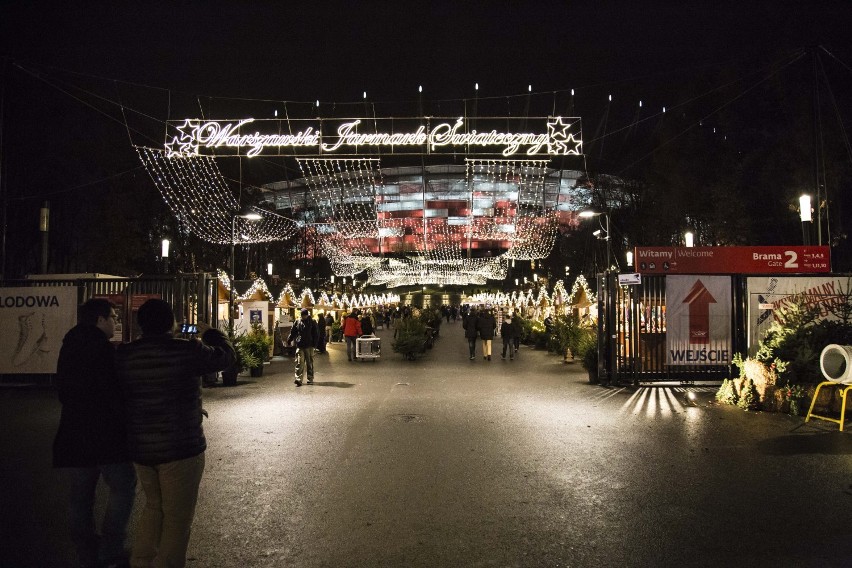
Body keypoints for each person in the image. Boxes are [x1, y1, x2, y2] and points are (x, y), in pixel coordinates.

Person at [115, 299, 235, 568]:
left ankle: (142, 560)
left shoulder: (125, 354)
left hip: (141, 446)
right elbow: (226, 358)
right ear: (171, 323)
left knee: (153, 506)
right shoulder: (186, 350)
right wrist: (213, 333)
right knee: (178, 516)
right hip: (180, 446)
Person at [53, 298, 136, 568]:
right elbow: (115, 392)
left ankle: (86, 552)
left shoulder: (69, 346)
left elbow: (63, 391)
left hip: (74, 434)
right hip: (106, 435)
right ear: (100, 319)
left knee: (80, 497)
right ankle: (111, 547)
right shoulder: (103, 350)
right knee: (124, 486)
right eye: (113, 317)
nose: (116, 322)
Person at [288, 308, 319, 385]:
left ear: (307, 315)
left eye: (304, 315)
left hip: (309, 345)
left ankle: (310, 378)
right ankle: (298, 379)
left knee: (309, 363)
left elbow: (316, 333)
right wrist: (289, 339)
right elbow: (293, 332)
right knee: (299, 362)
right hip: (300, 345)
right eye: (302, 315)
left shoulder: (312, 322)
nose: (303, 317)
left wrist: (314, 344)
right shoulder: (298, 322)